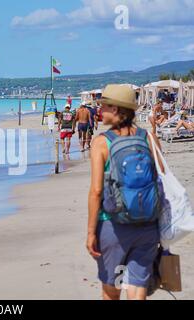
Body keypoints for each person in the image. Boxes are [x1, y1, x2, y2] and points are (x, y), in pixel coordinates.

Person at [87, 84, 163, 300]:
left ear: (118, 110)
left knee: (112, 289)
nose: (100, 111)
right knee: (137, 286)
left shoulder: (102, 142)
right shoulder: (148, 138)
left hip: (114, 226)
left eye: (105, 107)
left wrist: (91, 232)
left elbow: (96, 191)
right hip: (148, 225)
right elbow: (162, 178)